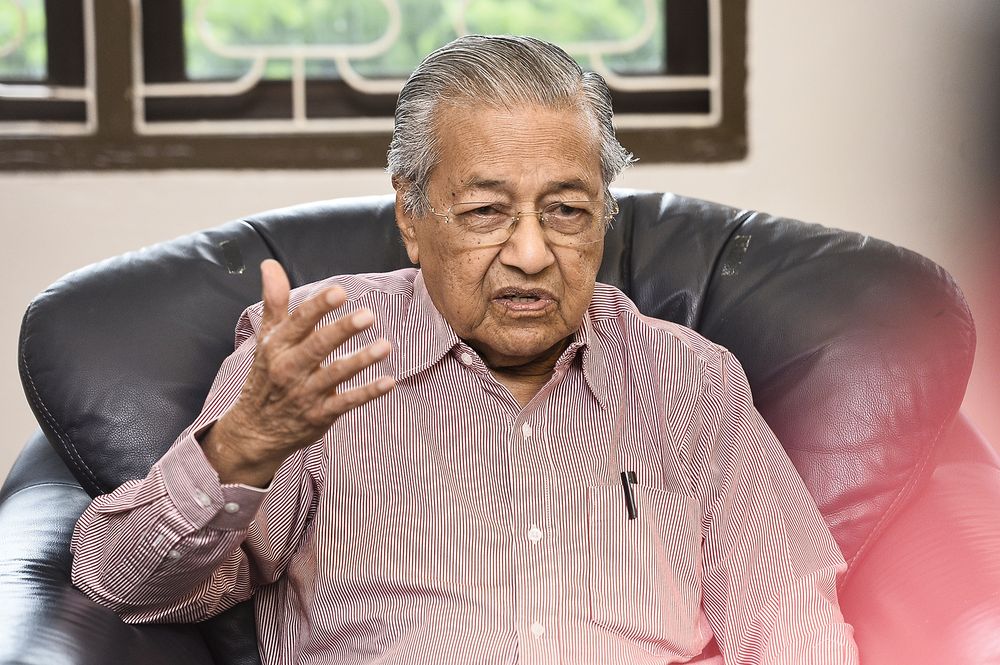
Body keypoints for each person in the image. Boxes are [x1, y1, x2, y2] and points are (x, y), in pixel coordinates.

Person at [70, 35, 859, 664]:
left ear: (604, 218)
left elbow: (794, 627)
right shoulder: (315, 354)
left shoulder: (691, 381)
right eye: (486, 211)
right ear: (411, 219)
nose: (530, 252)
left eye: (566, 210)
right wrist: (242, 447)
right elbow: (121, 582)